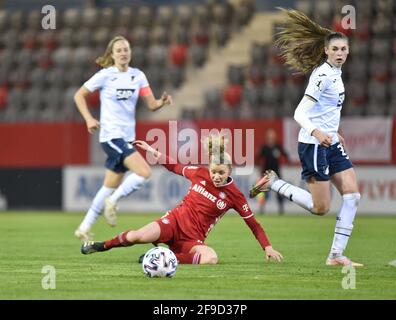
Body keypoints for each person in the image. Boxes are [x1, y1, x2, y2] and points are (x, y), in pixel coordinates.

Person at [250, 9, 363, 267]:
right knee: (320, 207)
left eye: (344, 49)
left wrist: (334, 133)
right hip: (313, 145)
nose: (340, 53)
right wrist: (318, 132)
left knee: (353, 195)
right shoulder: (322, 76)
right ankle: (274, 183)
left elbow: (327, 111)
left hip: (330, 141)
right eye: (335, 49)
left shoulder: (336, 73)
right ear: (326, 51)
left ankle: (336, 256)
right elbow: (299, 112)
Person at [81, 135, 283, 264]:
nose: (216, 176)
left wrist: (268, 247)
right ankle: (100, 245)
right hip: (173, 222)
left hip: (192, 239)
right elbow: (174, 166)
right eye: (214, 171)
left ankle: (161, 257)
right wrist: (151, 151)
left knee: (210, 258)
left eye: (221, 172)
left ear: (229, 170)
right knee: (136, 237)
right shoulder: (199, 173)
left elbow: (254, 225)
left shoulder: (235, 195)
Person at [74, 36, 172, 241]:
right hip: (111, 136)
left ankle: (84, 227)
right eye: (118, 50)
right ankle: (114, 201)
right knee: (144, 172)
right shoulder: (105, 75)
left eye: (126, 49)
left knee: (108, 185)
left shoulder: (138, 76)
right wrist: (89, 118)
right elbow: (79, 95)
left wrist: (162, 102)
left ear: (130, 52)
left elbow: (151, 104)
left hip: (127, 138)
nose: (123, 53)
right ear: (112, 54)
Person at [256, 128, 289, 215]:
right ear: (267, 137)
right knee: (263, 193)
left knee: (279, 192)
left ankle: (281, 210)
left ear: (274, 137)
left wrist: (287, 162)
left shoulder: (278, 147)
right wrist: (259, 169)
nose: (271, 138)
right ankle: (262, 209)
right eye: (269, 136)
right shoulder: (264, 147)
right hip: (266, 174)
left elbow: (285, 154)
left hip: (276, 174)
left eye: (272, 136)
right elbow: (258, 157)